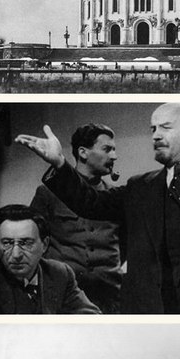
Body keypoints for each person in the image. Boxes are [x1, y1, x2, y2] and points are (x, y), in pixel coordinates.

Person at [15, 105, 180, 314]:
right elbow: (90, 202)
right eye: (153, 128)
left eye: (166, 127)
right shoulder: (140, 187)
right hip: (157, 310)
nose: (156, 135)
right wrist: (60, 164)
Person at [30, 123, 123, 313]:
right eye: (107, 149)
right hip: (64, 294)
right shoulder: (48, 193)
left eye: (114, 150)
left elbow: (126, 243)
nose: (114, 156)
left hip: (108, 296)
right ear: (83, 152)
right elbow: (33, 238)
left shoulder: (114, 198)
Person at [0, 205, 101, 314]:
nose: (16, 254)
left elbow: (91, 317)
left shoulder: (59, 273)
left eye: (26, 243)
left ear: (45, 245)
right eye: (7, 243)